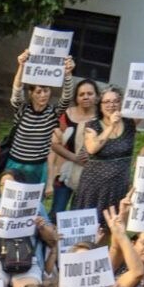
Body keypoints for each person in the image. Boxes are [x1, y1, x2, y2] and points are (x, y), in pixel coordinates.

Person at [5, 52, 75, 188]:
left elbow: (66, 98)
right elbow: (17, 91)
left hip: (37, 167)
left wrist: (67, 74)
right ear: (30, 93)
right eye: (38, 92)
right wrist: (21, 66)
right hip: (15, 164)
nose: (43, 95)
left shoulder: (53, 112)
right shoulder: (22, 109)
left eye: (46, 91)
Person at [71, 86, 137, 216]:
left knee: (113, 223)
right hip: (94, 188)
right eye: (106, 102)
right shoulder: (92, 125)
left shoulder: (130, 123)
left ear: (121, 103)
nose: (111, 105)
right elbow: (92, 148)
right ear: (100, 105)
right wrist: (112, 125)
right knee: (90, 223)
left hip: (119, 186)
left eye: (116, 101)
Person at [50, 79, 98, 214]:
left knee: (77, 216)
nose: (86, 97)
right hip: (65, 173)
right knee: (57, 212)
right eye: (81, 94)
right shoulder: (67, 115)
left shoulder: (102, 118)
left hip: (89, 176)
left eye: (90, 93)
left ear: (97, 96)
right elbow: (54, 144)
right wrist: (75, 158)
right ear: (76, 98)